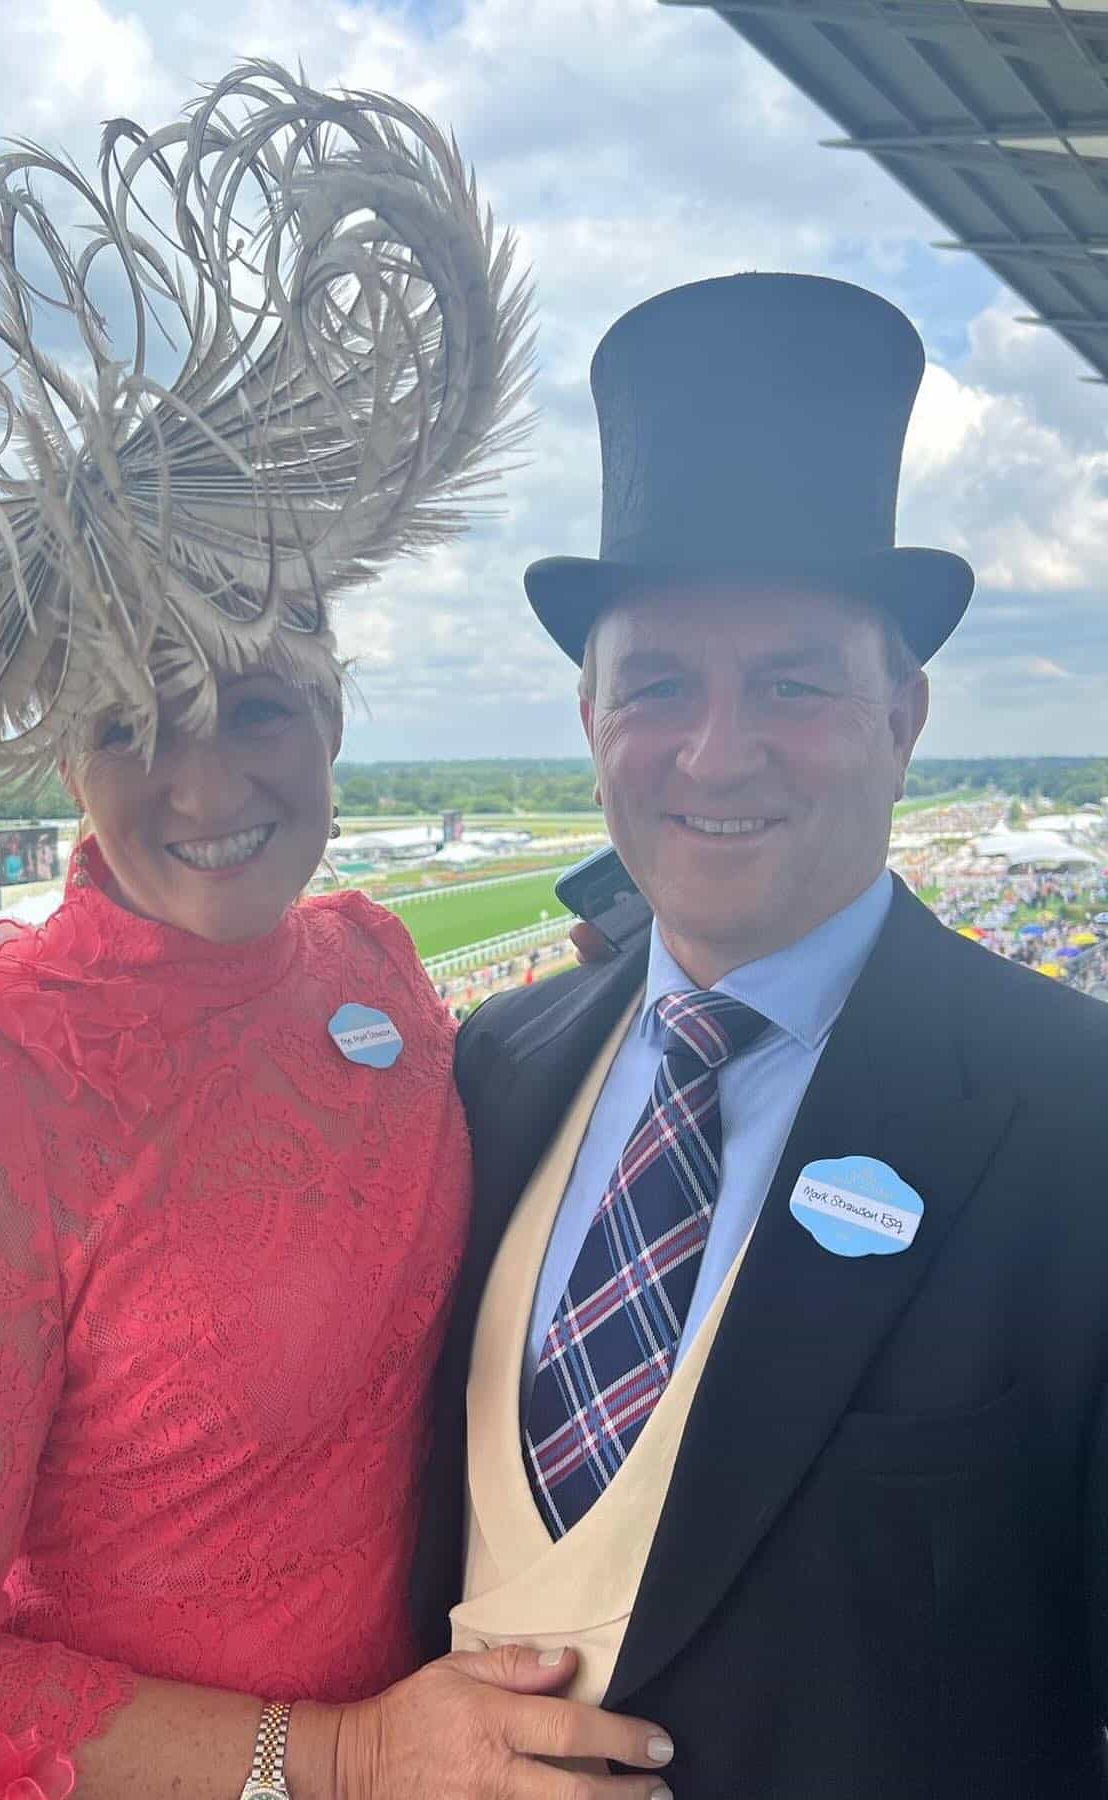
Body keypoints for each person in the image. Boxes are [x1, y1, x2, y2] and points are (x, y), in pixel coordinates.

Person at [0, 64, 666, 1800]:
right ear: (67, 757)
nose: (204, 784)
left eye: (257, 707)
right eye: (133, 723)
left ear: (335, 715)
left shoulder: (373, 965)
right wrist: (345, 1760)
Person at [413, 273, 1108, 1798]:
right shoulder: (493, 1067)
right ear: (590, 722)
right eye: (659, 685)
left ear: (903, 716)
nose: (717, 754)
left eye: (790, 684)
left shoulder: (1079, 1121)